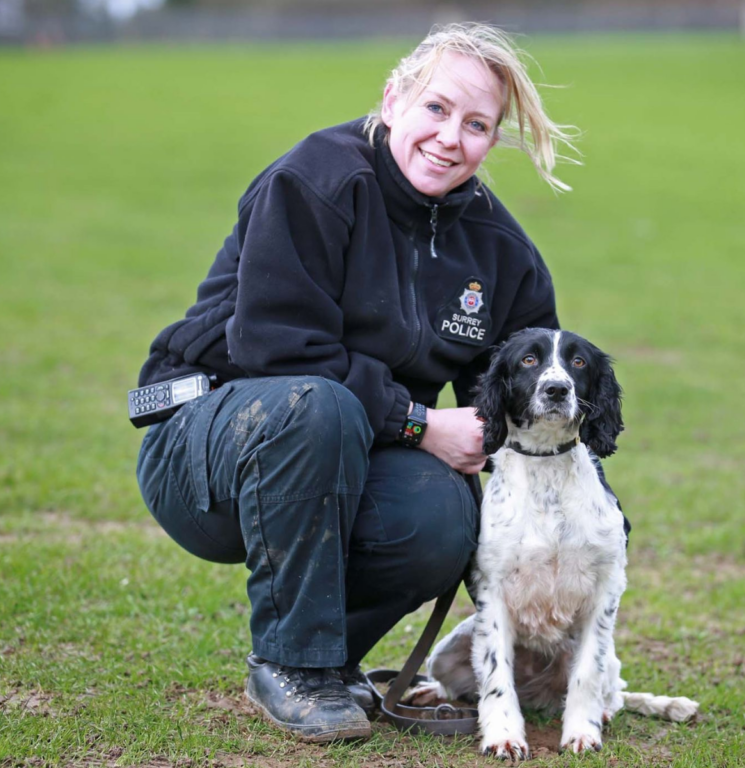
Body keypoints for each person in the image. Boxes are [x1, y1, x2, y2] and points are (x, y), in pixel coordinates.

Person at [135, 22, 577, 743]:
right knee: (319, 406)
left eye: (476, 124)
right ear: (393, 98)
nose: (449, 137)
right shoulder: (316, 180)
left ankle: (331, 659)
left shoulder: (499, 250)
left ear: (493, 141)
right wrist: (422, 426)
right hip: (205, 445)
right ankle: (292, 665)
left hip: (347, 451)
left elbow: (527, 398)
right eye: (435, 108)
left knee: (442, 513)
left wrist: (587, 526)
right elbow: (277, 352)